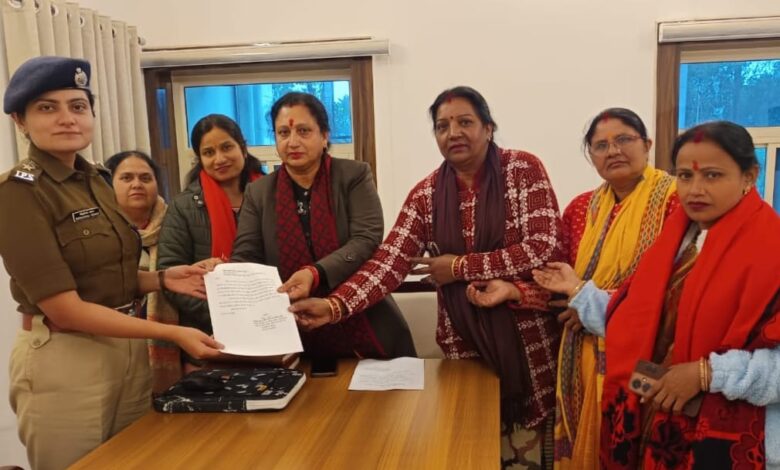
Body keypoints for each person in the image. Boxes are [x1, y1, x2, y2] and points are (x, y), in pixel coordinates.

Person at [290, 86, 565, 468]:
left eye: (465, 122)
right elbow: (389, 261)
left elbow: (542, 247)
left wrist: (458, 267)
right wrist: (334, 306)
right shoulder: (426, 194)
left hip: (528, 343)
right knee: (467, 453)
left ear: (488, 127)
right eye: (442, 126)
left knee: (528, 456)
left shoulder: (522, 170)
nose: (453, 133)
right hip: (462, 344)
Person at [0, 56, 222, 470]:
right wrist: (172, 332)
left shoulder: (98, 181)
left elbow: (106, 278)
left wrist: (163, 279)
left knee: (136, 460)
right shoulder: (18, 192)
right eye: (47, 107)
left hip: (126, 348)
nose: (67, 118)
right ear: (20, 120)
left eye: (78, 106)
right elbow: (65, 308)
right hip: (66, 356)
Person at [543, 121, 779, 468]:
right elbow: (636, 321)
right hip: (656, 420)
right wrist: (578, 291)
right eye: (685, 176)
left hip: (735, 439)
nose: (695, 189)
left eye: (712, 176)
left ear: (749, 176)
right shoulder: (678, 240)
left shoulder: (771, 250)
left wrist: (706, 374)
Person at [466, 108, 679, 469]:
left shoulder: (677, 202)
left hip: (651, 355)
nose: (613, 151)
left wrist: (588, 301)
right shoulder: (581, 209)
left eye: (624, 139)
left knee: (644, 445)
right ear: (591, 155)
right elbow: (555, 284)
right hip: (584, 357)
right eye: (601, 145)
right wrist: (514, 291)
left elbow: (674, 288)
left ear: (647, 144)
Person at [231, 92, 416, 358]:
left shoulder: (353, 175)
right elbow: (246, 255)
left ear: (325, 135)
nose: (292, 142)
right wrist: (226, 274)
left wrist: (315, 273)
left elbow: (366, 239)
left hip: (361, 316)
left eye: (304, 131)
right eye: (283, 133)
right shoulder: (258, 192)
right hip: (290, 324)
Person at [157, 114, 263, 371]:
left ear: (243, 148)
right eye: (208, 152)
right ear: (200, 159)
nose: (219, 159)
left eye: (227, 147)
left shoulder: (271, 195)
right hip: (209, 340)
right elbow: (172, 276)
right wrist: (227, 315)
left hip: (271, 328)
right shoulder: (183, 207)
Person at [105, 150, 182, 392]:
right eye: (126, 178)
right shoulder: (99, 231)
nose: (137, 184)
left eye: (145, 178)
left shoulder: (176, 224)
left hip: (175, 342)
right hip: (110, 345)